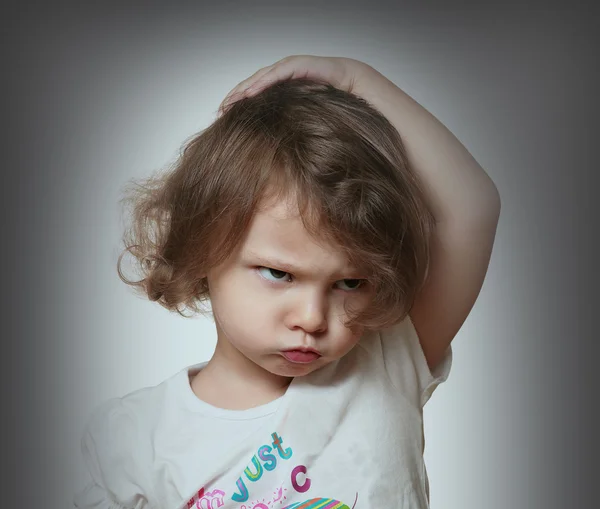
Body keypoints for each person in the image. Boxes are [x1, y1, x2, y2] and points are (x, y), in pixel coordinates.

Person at [73, 55, 500, 509]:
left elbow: (473, 208)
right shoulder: (136, 437)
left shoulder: (388, 360)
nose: (313, 318)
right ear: (201, 249)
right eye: (279, 274)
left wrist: (356, 80)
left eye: (351, 283)